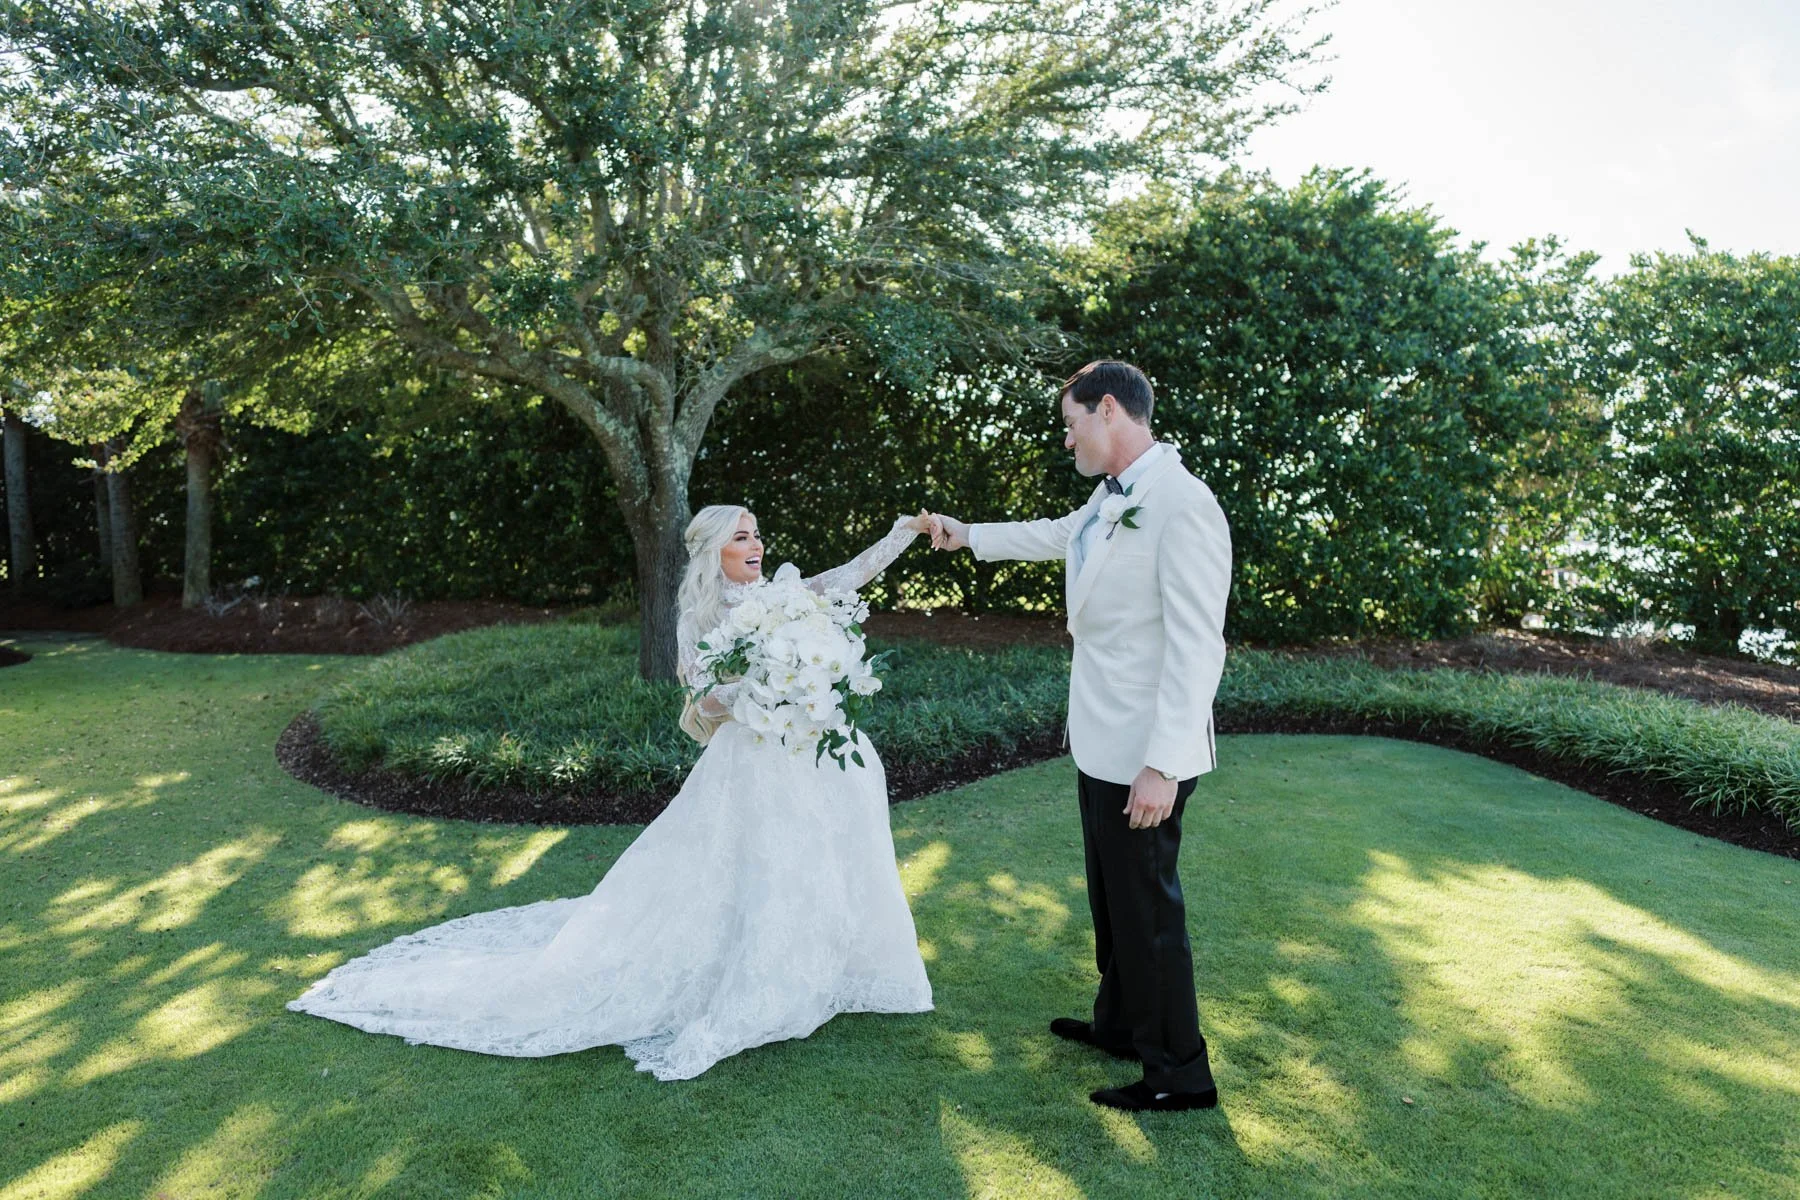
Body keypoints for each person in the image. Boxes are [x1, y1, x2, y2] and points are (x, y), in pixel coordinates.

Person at [288, 509, 936, 1080]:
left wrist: (900, 535)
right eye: (743, 536)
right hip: (754, 764)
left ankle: (831, 967)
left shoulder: (787, 595)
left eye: (758, 533)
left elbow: (846, 579)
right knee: (761, 870)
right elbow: (699, 702)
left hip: (820, 755)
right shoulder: (701, 615)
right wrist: (754, 690)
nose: (757, 544)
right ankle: (759, 983)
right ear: (715, 550)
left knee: (824, 864)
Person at [929, 360, 1232, 1112]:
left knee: (1149, 912)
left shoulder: (1183, 505)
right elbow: (1054, 536)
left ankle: (1179, 1074)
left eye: (1070, 426)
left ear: (1107, 411)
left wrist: (1163, 765)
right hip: (1099, 739)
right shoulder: (1106, 501)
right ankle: (1121, 1026)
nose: (1067, 442)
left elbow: (1199, 647)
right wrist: (965, 535)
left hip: (1146, 753)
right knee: (1112, 901)